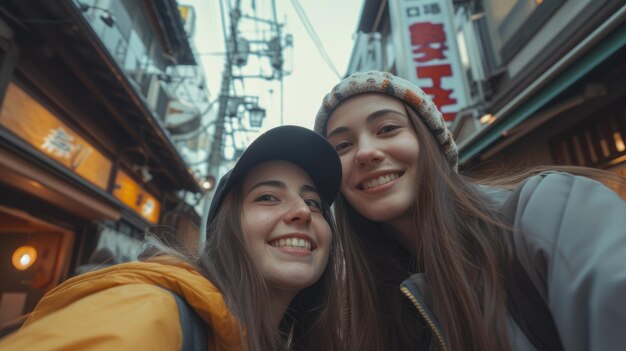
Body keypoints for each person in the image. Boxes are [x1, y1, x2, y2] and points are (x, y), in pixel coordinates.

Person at [314, 71, 626, 351]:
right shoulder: (362, 305)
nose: (366, 153)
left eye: (387, 128)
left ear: (432, 143)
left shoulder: (552, 211)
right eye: (342, 146)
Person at [0, 125, 343, 350]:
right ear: (225, 229)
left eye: (313, 202)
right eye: (267, 197)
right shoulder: (147, 310)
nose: (301, 211)